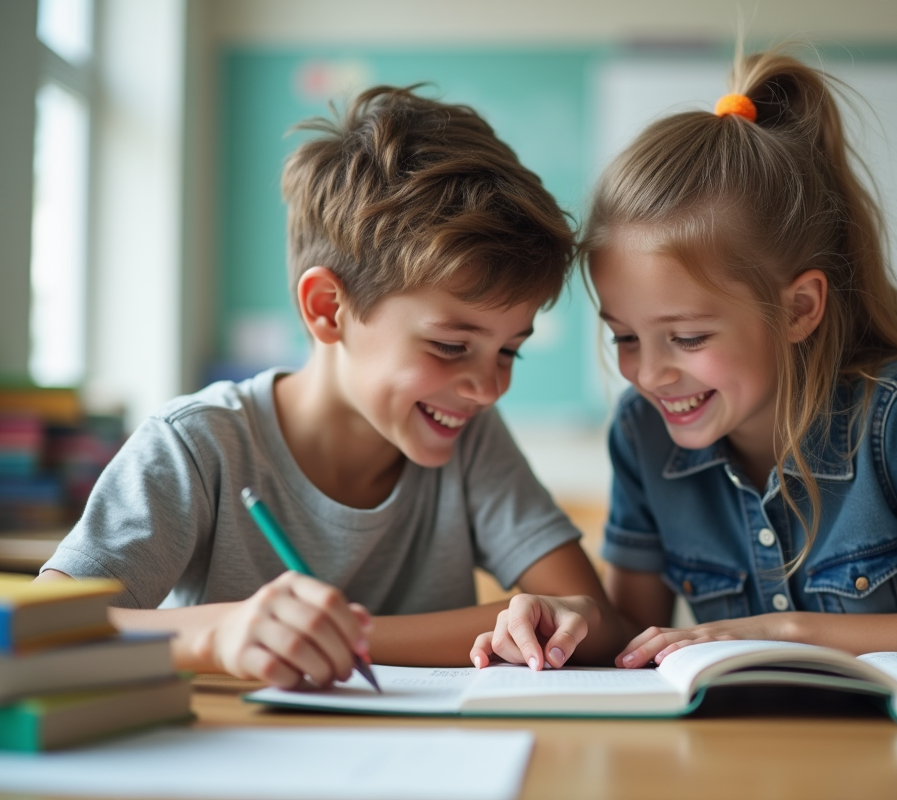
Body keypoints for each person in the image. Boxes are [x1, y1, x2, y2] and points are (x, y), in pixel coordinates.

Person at [477, 50, 897, 672]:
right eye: (624, 337)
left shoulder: (896, 412)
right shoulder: (641, 431)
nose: (648, 374)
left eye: (687, 338)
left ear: (798, 309)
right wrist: (573, 618)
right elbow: (633, 629)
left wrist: (784, 631)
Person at [37, 86, 629, 688]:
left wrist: (350, 637)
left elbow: (597, 620)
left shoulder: (470, 439)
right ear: (327, 309)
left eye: (510, 350)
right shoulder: (197, 445)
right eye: (451, 346)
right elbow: (40, 629)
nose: (486, 388)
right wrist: (216, 634)